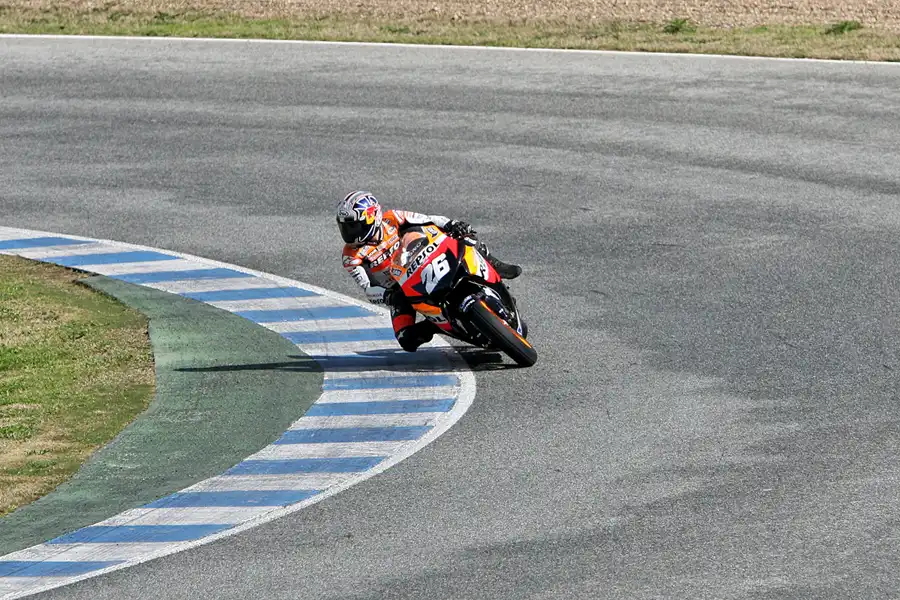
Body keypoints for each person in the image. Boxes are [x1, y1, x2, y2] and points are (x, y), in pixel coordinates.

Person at [338, 190, 522, 352]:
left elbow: (429, 219)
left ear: (373, 217)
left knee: (463, 237)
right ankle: (436, 324)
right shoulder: (350, 256)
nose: (349, 232)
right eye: (345, 227)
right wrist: (387, 296)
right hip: (401, 289)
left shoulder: (392, 218)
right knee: (406, 339)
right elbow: (368, 289)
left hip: (426, 260)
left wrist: (452, 224)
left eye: (353, 225)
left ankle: (495, 265)